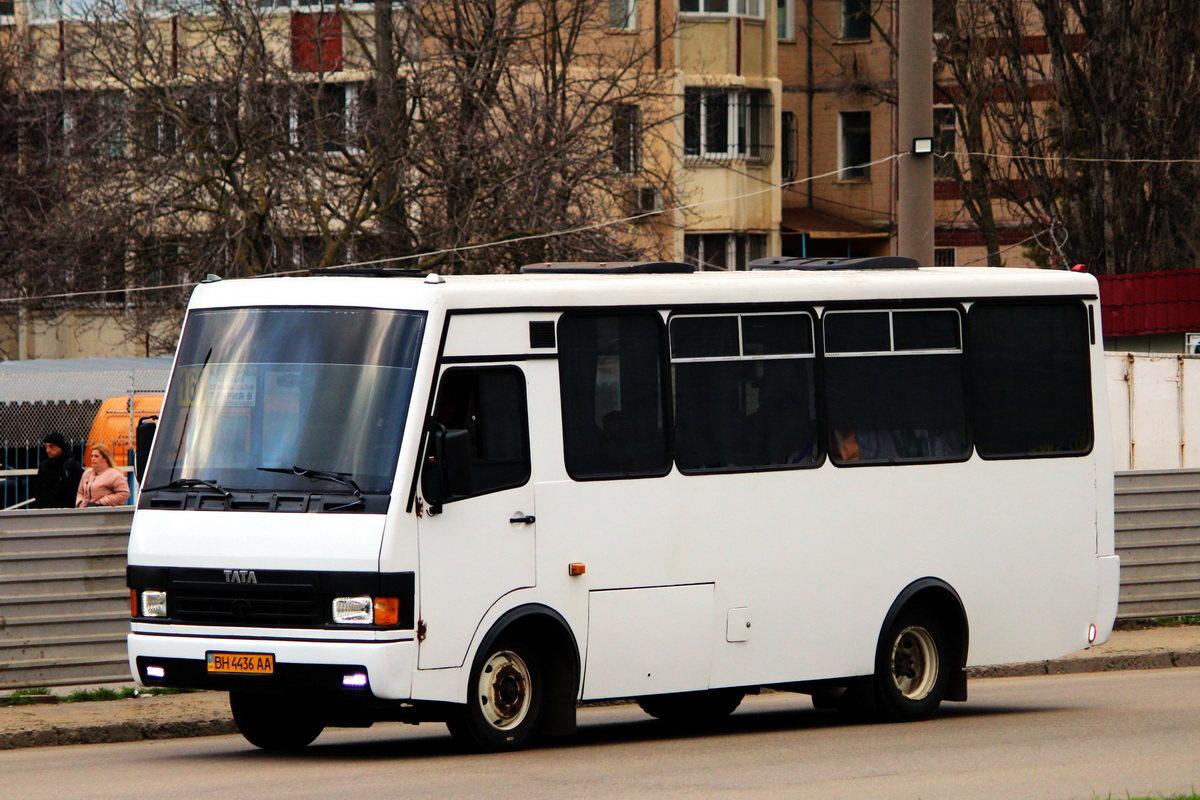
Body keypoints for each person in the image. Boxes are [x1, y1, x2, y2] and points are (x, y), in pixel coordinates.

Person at [31, 432, 84, 509]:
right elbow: (38, 489)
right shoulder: (44, 465)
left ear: (60, 447)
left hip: (66, 512)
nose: (48, 450)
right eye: (47, 446)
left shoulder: (71, 465)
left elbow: (77, 490)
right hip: (46, 512)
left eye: (52, 446)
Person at [75, 443, 130, 508]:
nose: (93, 458)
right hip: (86, 511)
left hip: (106, 513)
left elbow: (124, 494)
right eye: (91, 456)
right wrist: (80, 503)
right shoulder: (87, 473)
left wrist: (101, 503)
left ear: (105, 458)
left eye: (96, 456)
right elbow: (80, 493)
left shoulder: (115, 474)